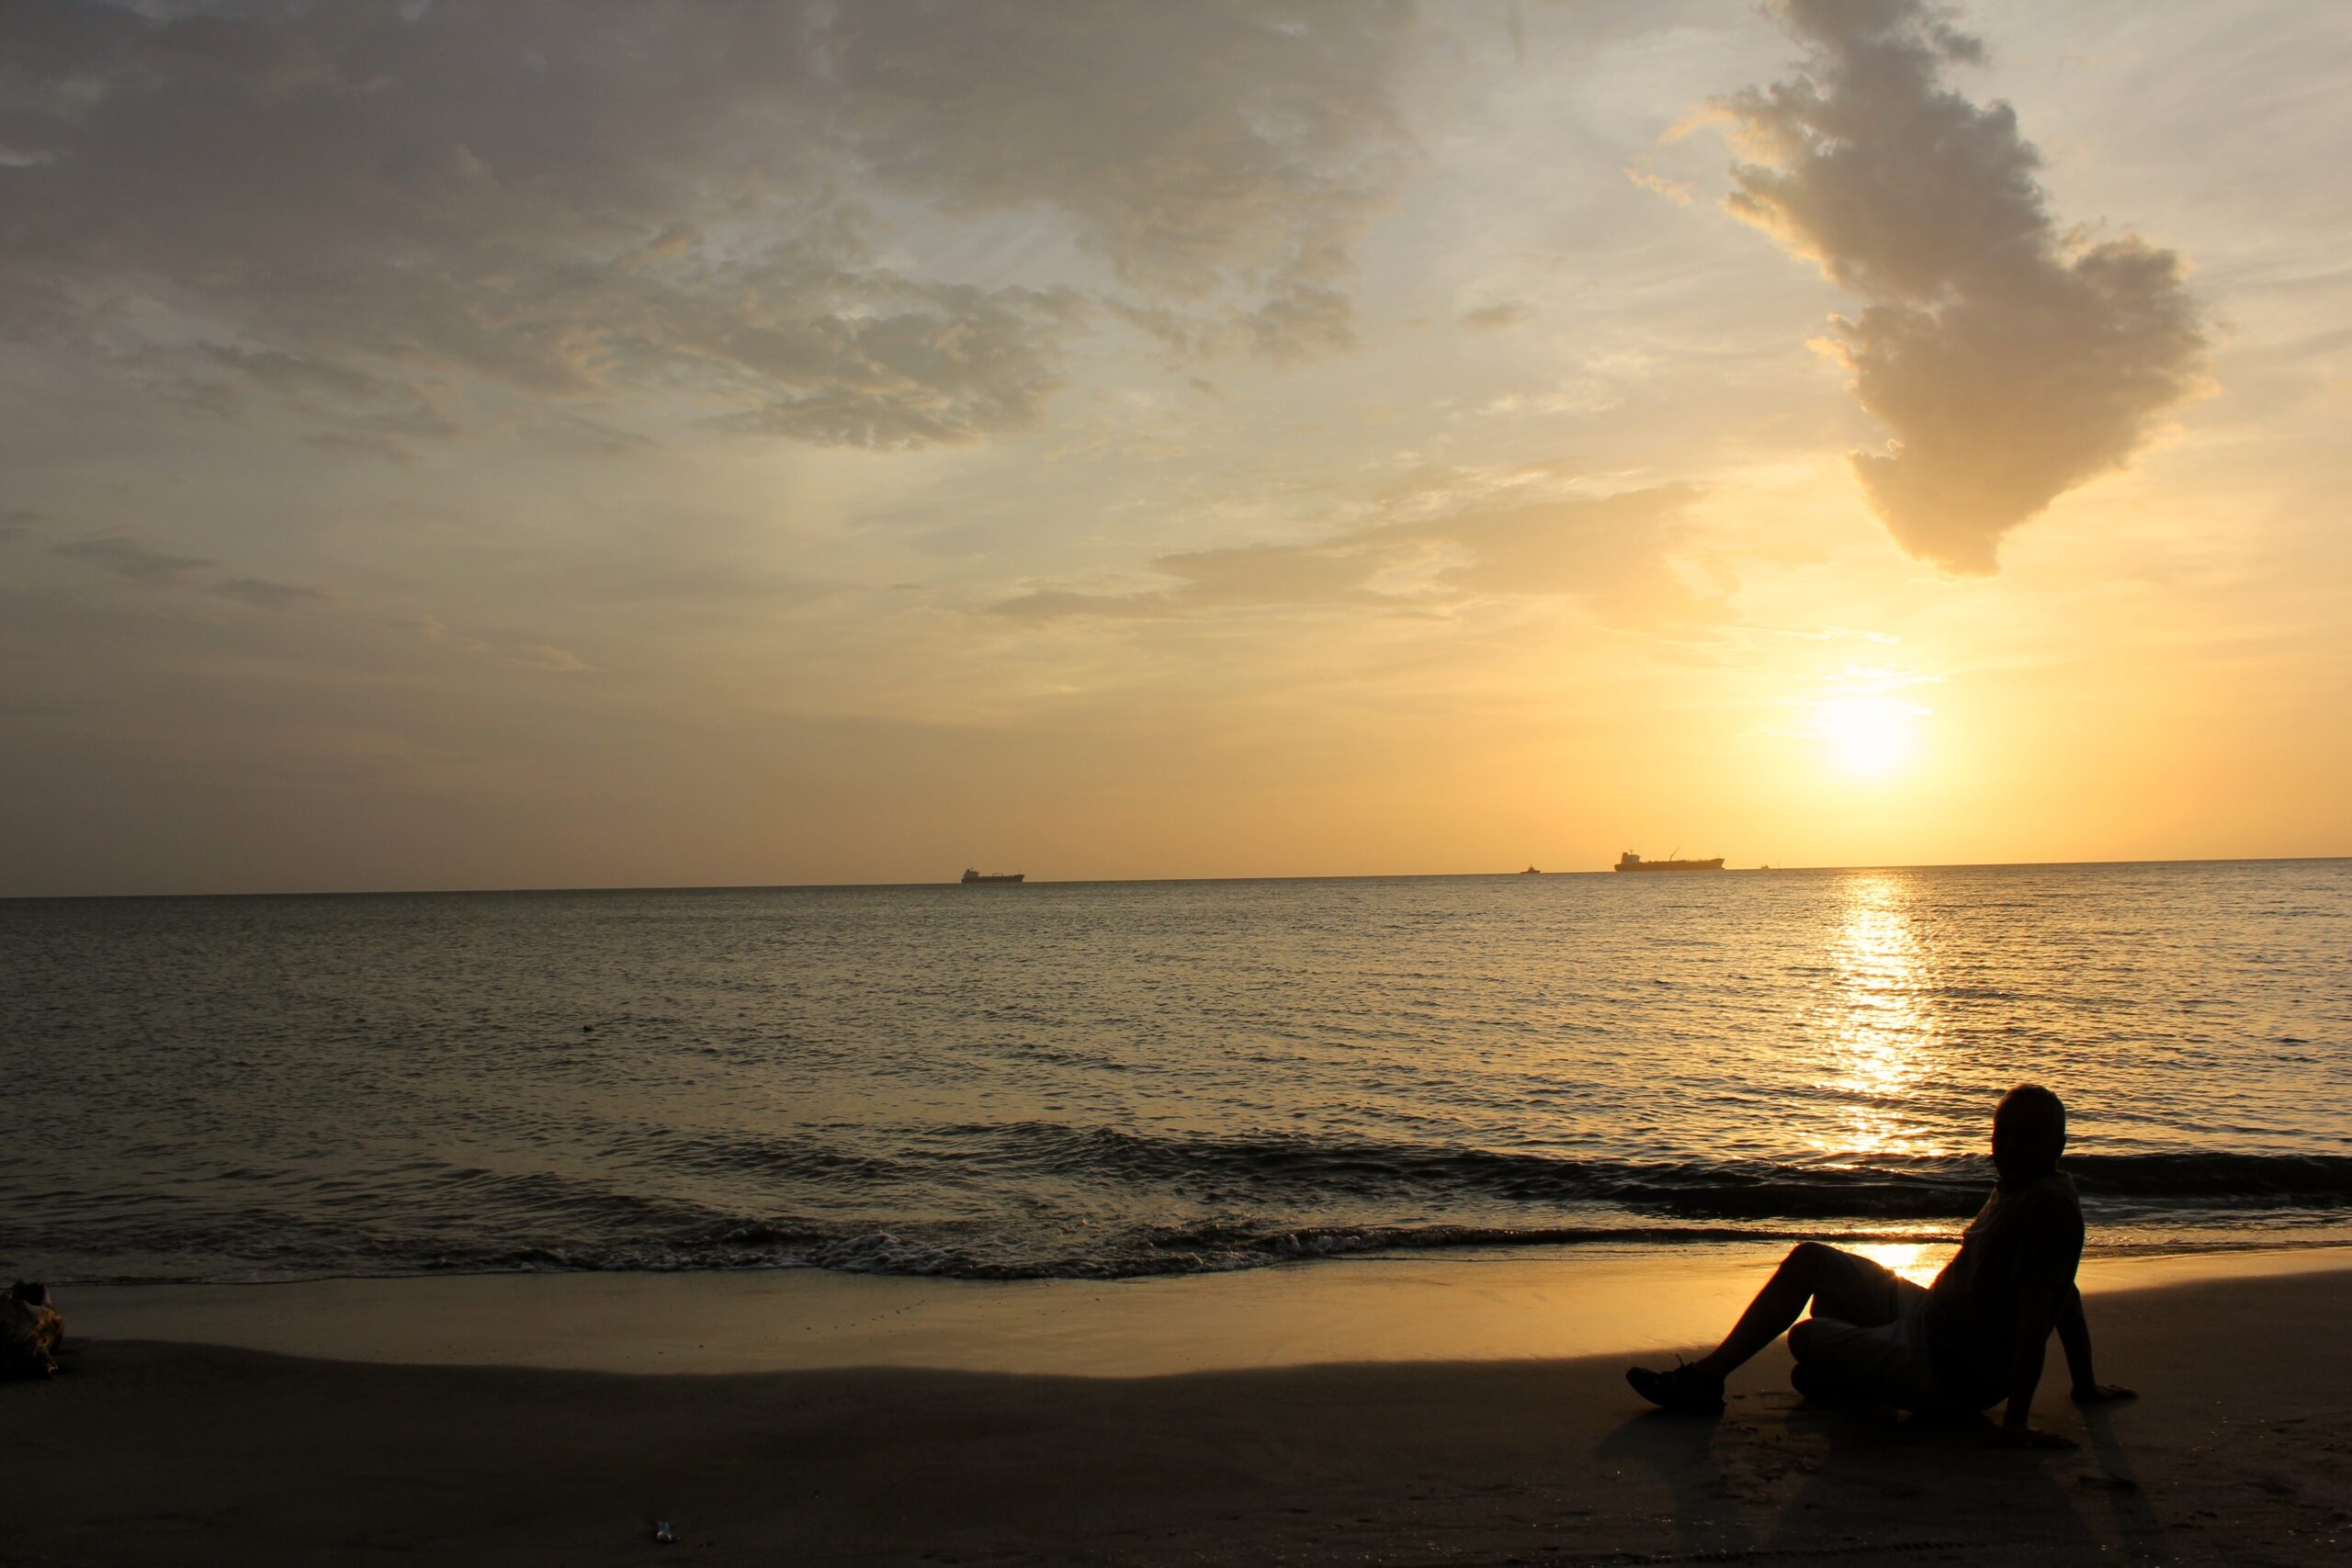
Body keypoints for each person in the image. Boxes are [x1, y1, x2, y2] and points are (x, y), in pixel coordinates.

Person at [1625, 1083, 2136, 1446]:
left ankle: (1732, 1381)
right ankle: (1713, 1378)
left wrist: (2016, 1422)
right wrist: (2084, 1385)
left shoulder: (2046, 1204)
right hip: (1928, 1317)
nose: (2014, 1148)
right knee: (1811, 1265)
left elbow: (2040, 1310)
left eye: (2031, 1137)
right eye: (2006, 1134)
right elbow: (2066, 1292)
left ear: (2058, 1147)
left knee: (1807, 1340)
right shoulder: (2020, 1188)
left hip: (1947, 1371)